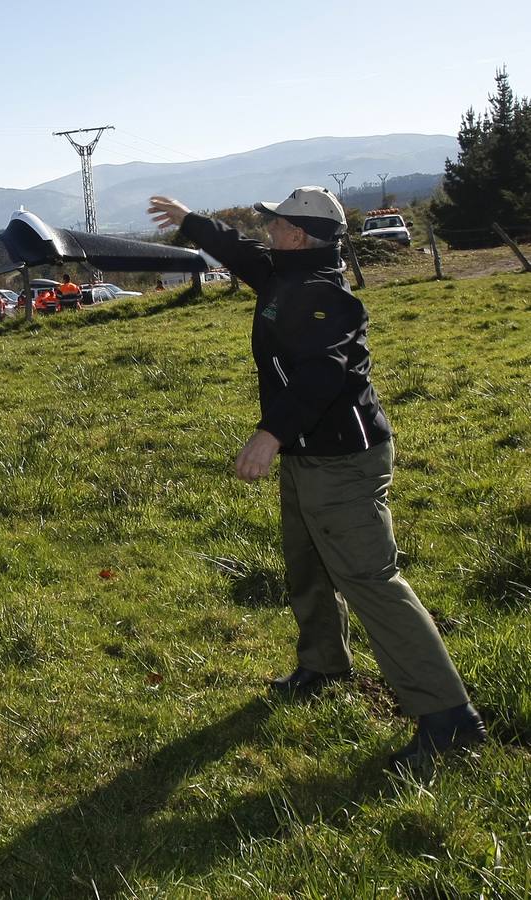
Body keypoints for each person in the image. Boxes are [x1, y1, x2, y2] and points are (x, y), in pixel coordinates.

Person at [148, 186, 486, 771]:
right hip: (308, 455)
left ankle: (448, 717)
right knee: (306, 563)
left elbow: (322, 375)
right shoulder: (285, 273)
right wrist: (192, 222)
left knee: (369, 578)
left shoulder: (326, 298)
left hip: (342, 460)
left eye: (277, 223)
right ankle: (323, 664)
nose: (269, 229)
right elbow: (245, 252)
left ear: (299, 234)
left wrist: (270, 433)